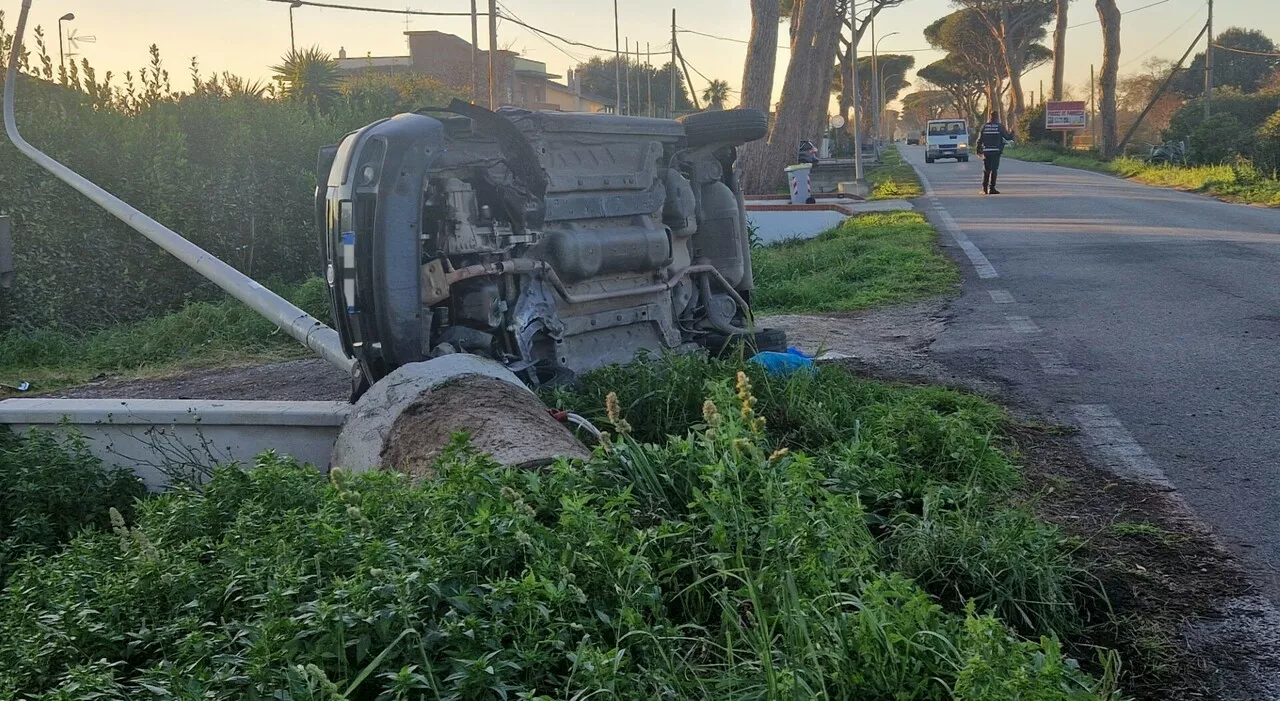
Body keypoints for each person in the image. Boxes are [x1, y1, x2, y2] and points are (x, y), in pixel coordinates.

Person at [978, 111, 1015, 195]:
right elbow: (1008, 137)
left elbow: (979, 140)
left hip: (986, 152)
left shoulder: (984, 126)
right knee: (994, 170)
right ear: (997, 117)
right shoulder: (999, 127)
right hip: (996, 151)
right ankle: (992, 188)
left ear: (990, 117)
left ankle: (984, 189)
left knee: (986, 170)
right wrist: (1012, 131)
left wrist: (978, 151)